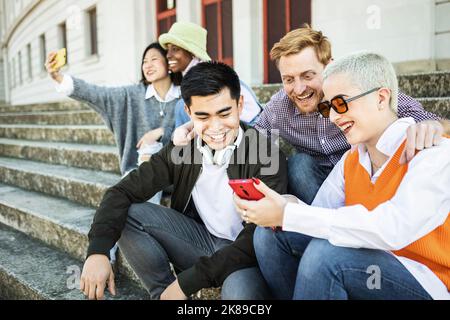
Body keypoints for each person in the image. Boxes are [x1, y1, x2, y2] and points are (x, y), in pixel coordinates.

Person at [234, 52, 449, 300]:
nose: (334, 117)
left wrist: (290, 213)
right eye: (327, 107)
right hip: (368, 267)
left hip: (428, 282)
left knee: (324, 256)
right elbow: (318, 213)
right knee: (271, 235)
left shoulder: (431, 152)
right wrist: (282, 206)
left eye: (341, 104)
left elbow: (393, 228)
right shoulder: (353, 159)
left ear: (381, 98)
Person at [79, 61, 287, 300]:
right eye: (203, 116)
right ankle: (163, 295)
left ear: (239, 105)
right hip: (201, 240)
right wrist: (98, 251)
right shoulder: (183, 149)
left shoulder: (266, 154)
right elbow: (121, 192)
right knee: (127, 211)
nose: (215, 127)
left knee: (241, 297)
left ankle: (175, 292)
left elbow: (257, 240)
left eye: (224, 113)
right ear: (188, 112)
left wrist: (186, 283)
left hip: (245, 257)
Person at [174, 25, 447, 205]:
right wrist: (206, 122)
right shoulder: (281, 106)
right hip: (319, 190)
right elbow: (250, 134)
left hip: (367, 184)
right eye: (289, 79)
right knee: (299, 165)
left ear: (329, 66)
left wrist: (433, 125)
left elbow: (423, 116)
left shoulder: (356, 90)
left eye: (308, 75)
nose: (299, 89)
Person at [46, 42, 182, 179]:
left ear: (168, 63)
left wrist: (162, 131)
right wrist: (58, 77)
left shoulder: (184, 96)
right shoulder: (131, 95)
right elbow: (97, 94)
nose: (148, 65)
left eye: (154, 59)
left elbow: (195, 131)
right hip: (140, 172)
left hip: (177, 171)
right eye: (144, 61)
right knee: (143, 173)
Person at [158, 21, 262, 127]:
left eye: (175, 49)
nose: (168, 55)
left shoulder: (204, 77)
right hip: (236, 126)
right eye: (168, 50)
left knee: (182, 106)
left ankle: (182, 143)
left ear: (192, 53)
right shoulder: (198, 72)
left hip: (250, 127)